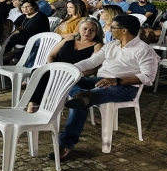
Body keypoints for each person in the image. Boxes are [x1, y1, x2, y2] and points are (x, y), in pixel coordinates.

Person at [53, 15, 159, 160]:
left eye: (113, 27)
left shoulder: (143, 50)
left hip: (125, 87)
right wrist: (67, 69)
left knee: (83, 101)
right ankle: (83, 95)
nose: (109, 29)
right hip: (102, 80)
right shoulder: (112, 45)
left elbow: (148, 78)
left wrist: (116, 80)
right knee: (67, 81)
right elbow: (90, 62)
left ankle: (65, 144)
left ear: (124, 30)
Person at [26, 18, 105, 113]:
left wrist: (73, 74)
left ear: (97, 32)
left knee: (44, 75)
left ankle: (33, 105)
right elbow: (51, 55)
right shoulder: (70, 38)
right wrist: (53, 68)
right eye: (85, 28)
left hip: (75, 74)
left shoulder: (98, 45)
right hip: (55, 69)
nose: (87, 32)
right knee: (37, 71)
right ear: (79, 29)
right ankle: (35, 103)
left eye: (92, 30)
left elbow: (94, 68)